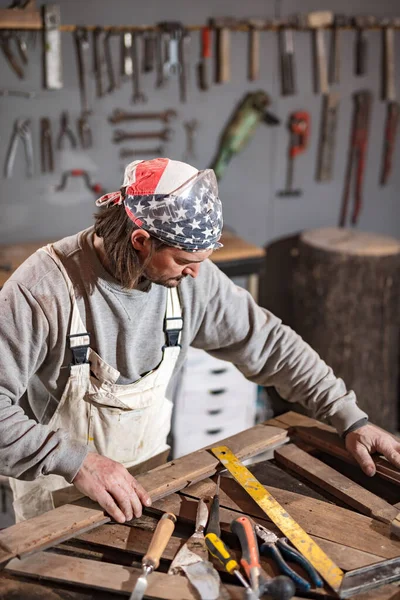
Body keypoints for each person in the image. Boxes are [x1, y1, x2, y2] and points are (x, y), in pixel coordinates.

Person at [1, 157, 399, 524]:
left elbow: (271, 344)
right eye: (184, 261)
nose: (195, 274)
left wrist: (349, 417)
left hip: (148, 490)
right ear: (140, 240)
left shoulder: (190, 281)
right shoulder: (44, 290)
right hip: (57, 501)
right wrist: (75, 460)